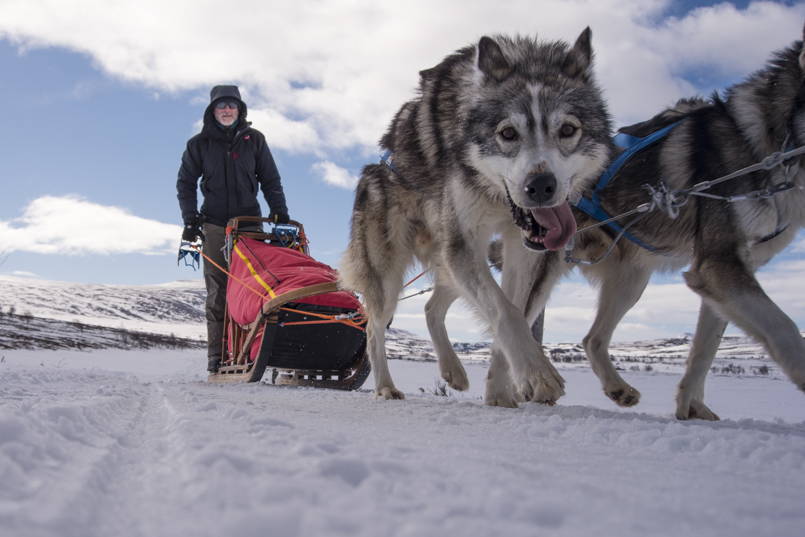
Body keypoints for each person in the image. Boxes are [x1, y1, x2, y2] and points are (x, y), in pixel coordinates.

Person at [177, 85, 289, 373]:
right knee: (218, 291)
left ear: (240, 110)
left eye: (232, 106)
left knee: (253, 287)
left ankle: (250, 351)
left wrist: (280, 212)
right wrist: (190, 219)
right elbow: (185, 183)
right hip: (213, 224)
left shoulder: (255, 140)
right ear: (212, 110)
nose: (226, 111)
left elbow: (270, 179)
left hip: (250, 225)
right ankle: (217, 356)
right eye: (221, 106)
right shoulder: (198, 144)